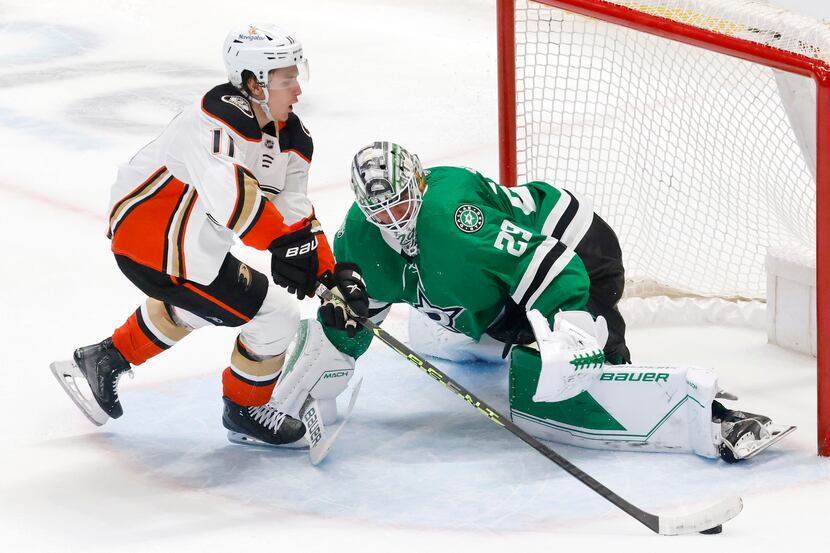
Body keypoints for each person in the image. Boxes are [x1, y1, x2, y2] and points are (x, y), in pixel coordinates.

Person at [272, 141, 793, 463]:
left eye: (403, 203)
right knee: (478, 324)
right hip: (498, 282)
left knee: (578, 354)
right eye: (380, 213)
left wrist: (570, 335)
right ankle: (492, 334)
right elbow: (365, 307)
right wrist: (331, 350)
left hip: (576, 252)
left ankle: (717, 420)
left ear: (419, 182)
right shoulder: (360, 239)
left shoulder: (453, 221)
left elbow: (555, 267)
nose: (395, 221)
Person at [49, 24, 368, 448]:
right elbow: (234, 203)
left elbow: (295, 213)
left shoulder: (293, 138)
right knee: (275, 317)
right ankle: (245, 410)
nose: (297, 91)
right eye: (286, 79)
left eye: (297, 76)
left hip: (192, 251)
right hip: (151, 241)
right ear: (254, 82)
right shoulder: (218, 115)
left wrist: (331, 275)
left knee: (209, 304)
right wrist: (284, 245)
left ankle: (104, 359)